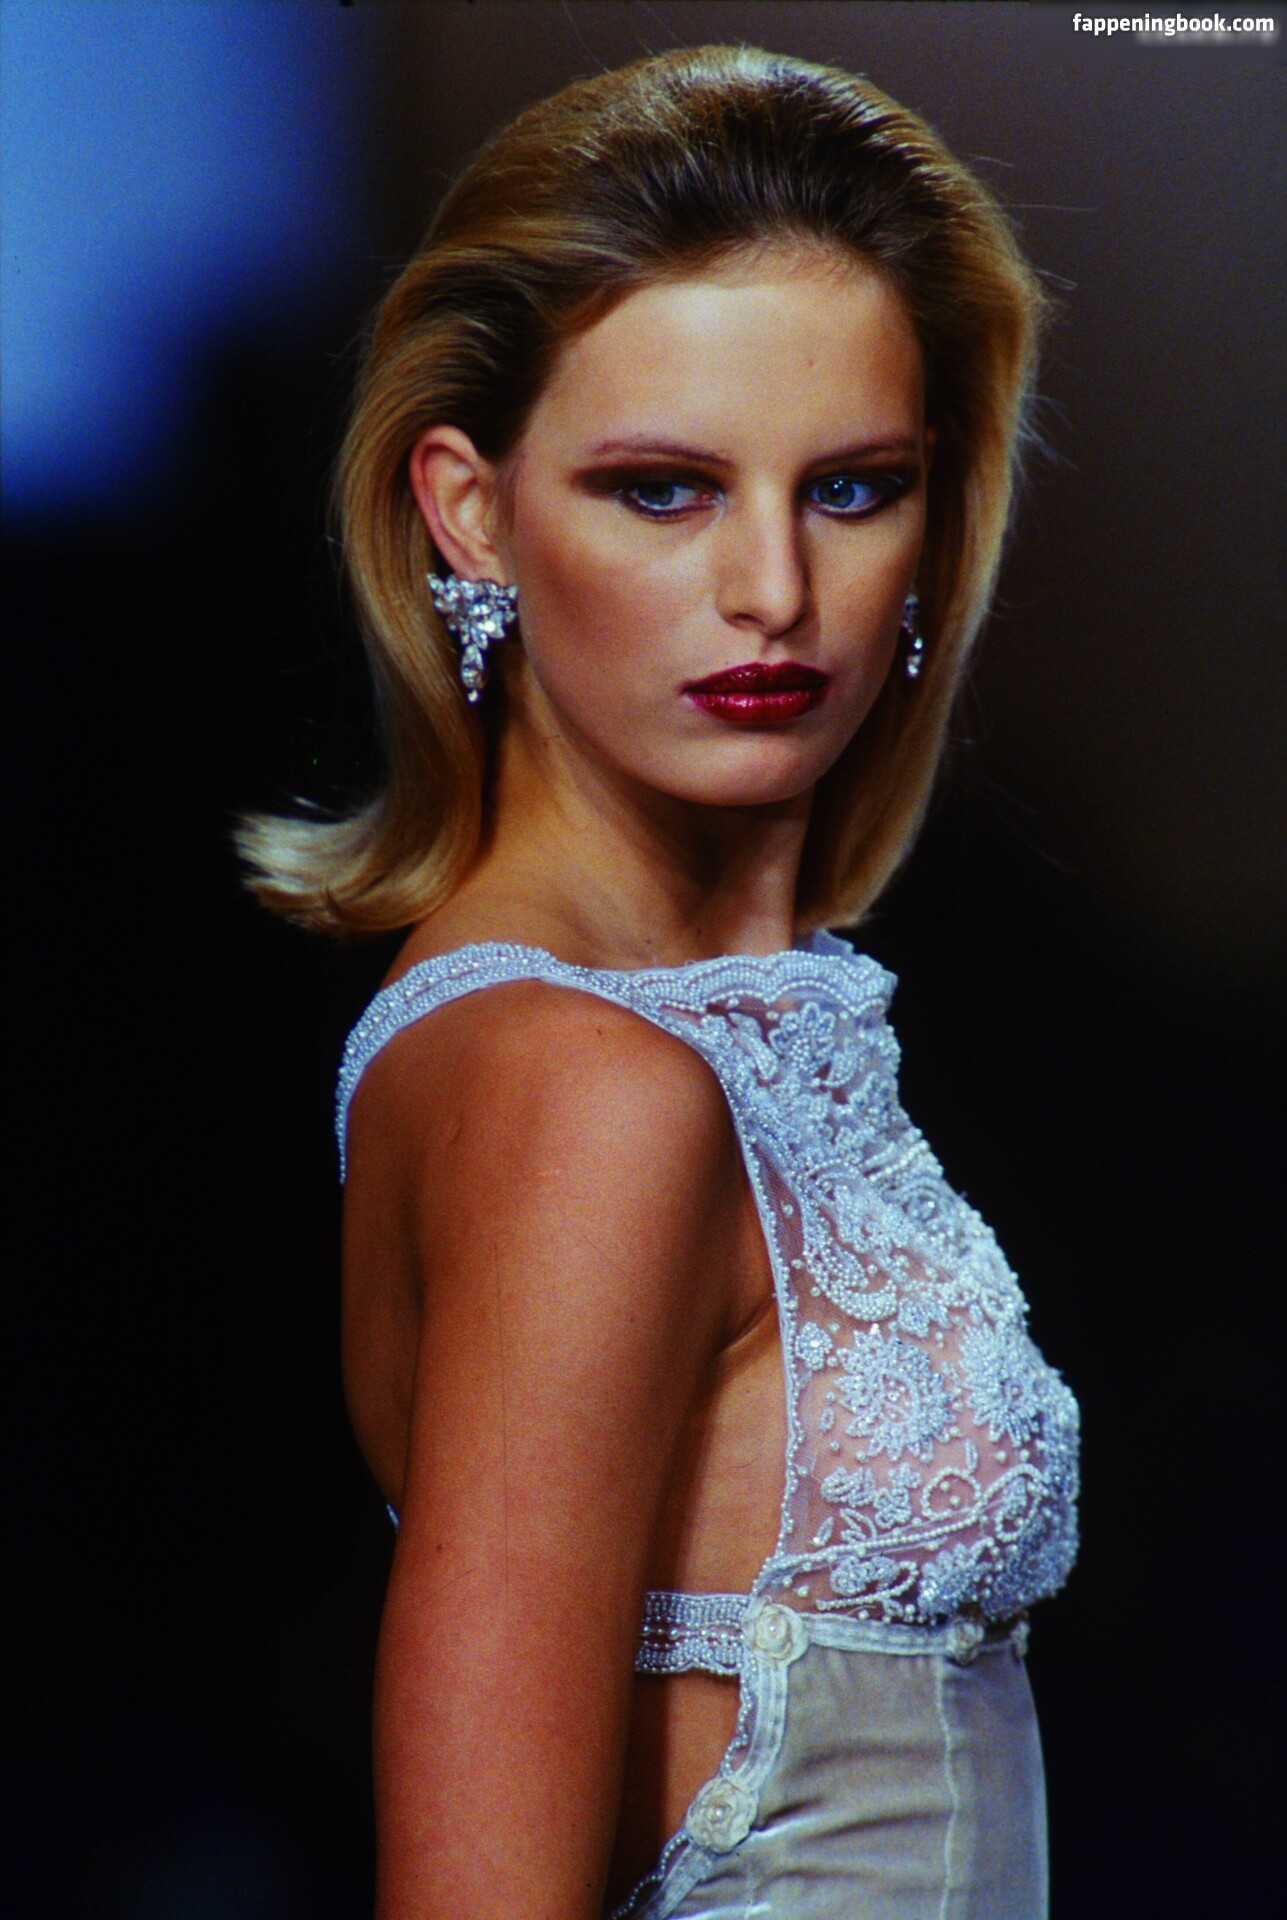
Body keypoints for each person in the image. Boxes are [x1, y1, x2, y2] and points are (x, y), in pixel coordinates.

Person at [241, 44, 1080, 1920]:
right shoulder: (583, 1085)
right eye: (663, 490)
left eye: (852, 487)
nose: (773, 587)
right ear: (470, 512)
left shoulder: (694, 1024)